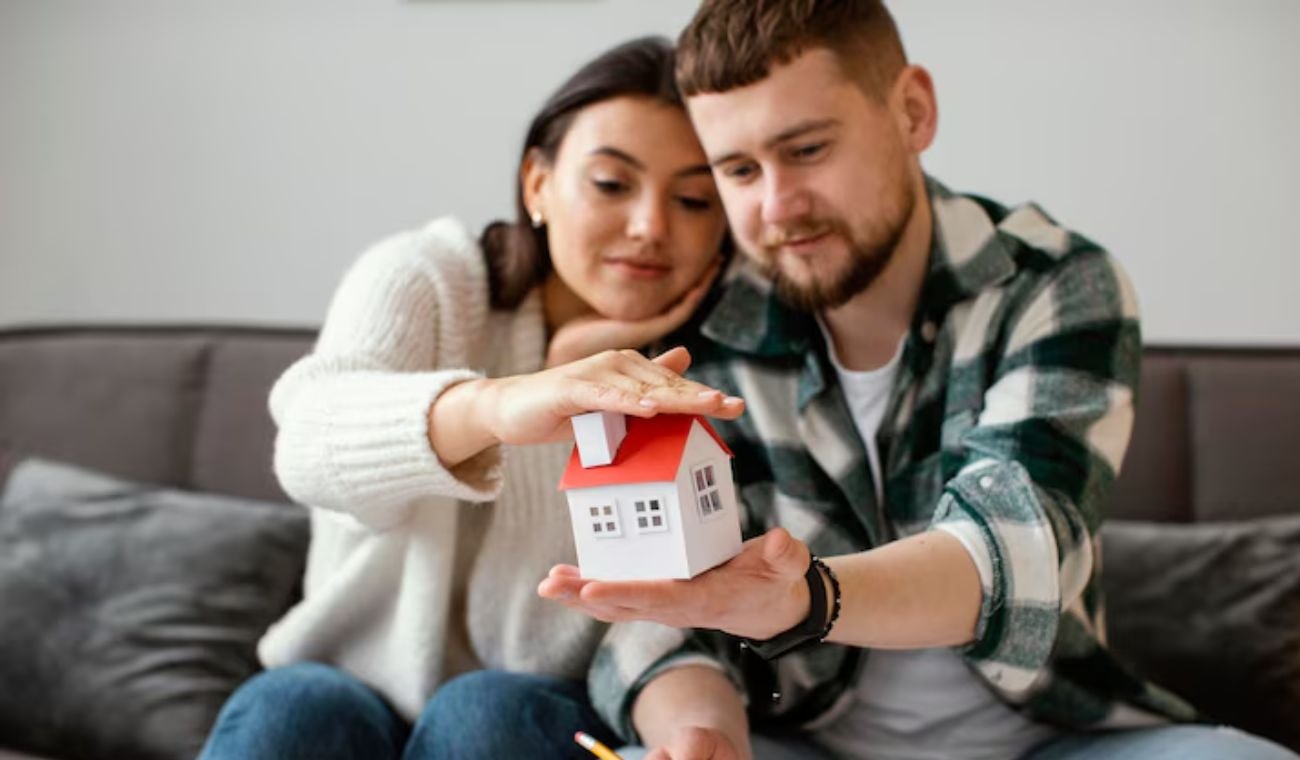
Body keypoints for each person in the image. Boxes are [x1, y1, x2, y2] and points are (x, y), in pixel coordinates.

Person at [540, 4, 1299, 760]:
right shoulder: (707, 323)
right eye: (739, 170)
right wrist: (702, 735)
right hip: (802, 743)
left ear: (913, 111)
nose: (776, 206)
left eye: (807, 150)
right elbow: (663, 618)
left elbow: (1010, 550)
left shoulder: (1055, 284)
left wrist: (806, 597)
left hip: (1048, 741)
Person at [198, 36, 745, 760]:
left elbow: (671, 616)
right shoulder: (428, 278)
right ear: (537, 184)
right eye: (612, 184)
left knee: (484, 714)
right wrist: (498, 406)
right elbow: (307, 445)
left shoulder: (716, 372)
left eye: (693, 199)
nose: (650, 226)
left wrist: (696, 735)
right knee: (292, 711)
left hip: (532, 712)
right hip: (340, 686)